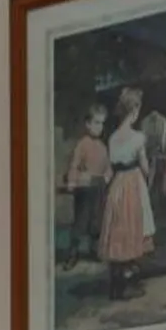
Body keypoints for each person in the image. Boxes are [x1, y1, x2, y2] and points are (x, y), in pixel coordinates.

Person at [98, 83, 155, 297]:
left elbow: (109, 170)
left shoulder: (112, 138)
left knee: (118, 229)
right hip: (133, 184)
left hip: (117, 186)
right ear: (135, 111)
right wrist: (151, 172)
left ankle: (117, 283)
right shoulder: (138, 138)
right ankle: (127, 282)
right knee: (133, 227)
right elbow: (145, 167)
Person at [60, 100, 110, 266]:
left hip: (99, 187)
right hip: (85, 187)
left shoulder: (103, 146)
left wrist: (108, 175)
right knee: (81, 220)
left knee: (97, 220)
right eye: (96, 123)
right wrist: (73, 182)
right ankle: (72, 254)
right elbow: (74, 165)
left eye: (102, 123)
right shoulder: (83, 144)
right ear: (88, 124)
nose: (99, 127)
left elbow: (107, 167)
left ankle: (94, 250)